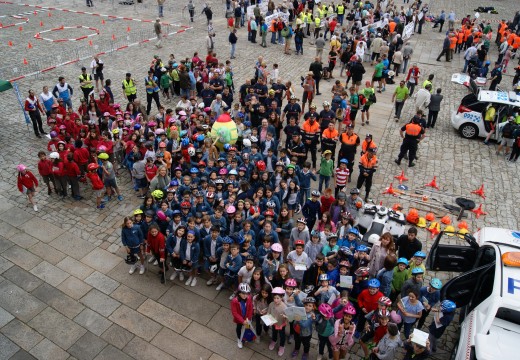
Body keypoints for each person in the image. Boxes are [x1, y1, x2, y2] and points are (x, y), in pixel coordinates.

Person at [231, 282, 254, 349]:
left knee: (247, 328)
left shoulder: (249, 298)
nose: (245, 295)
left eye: (246, 294)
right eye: (243, 293)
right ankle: (239, 339)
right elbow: (234, 313)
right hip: (239, 319)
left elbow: (250, 308)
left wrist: (248, 318)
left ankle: (245, 337)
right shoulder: (234, 301)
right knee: (239, 328)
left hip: (247, 318)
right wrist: (242, 321)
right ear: (239, 293)